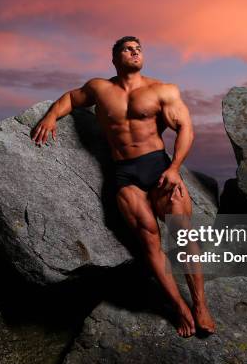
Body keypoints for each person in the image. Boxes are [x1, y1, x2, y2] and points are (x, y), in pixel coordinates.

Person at [31, 36, 215, 338]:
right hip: (123, 174)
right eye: (128, 49)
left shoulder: (162, 90)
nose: (135, 51)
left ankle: (200, 305)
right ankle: (179, 308)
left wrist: (174, 169)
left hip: (158, 167)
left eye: (139, 48)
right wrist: (51, 116)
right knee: (149, 242)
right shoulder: (100, 88)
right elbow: (71, 98)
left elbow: (186, 129)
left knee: (183, 234)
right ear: (115, 58)